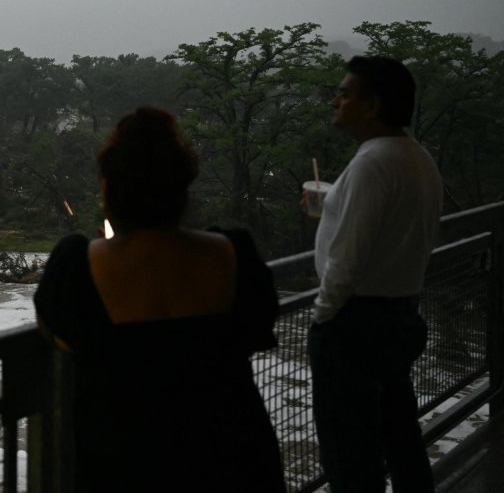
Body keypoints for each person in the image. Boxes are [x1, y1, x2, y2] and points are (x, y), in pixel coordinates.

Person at [33, 107, 286, 492]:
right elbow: (258, 327)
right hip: (234, 459)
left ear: (108, 190)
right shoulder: (234, 254)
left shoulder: (78, 267)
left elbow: (59, 334)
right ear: (182, 189)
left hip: (125, 466)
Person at [308, 56, 443, 492]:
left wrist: (322, 316)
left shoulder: (372, 164)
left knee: (350, 453)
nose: (335, 100)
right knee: (401, 438)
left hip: (354, 326)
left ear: (372, 105)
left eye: (345, 93)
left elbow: (348, 260)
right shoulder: (413, 156)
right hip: (397, 314)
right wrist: (335, 201)